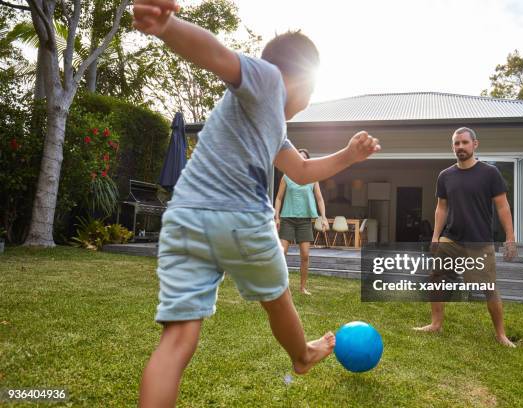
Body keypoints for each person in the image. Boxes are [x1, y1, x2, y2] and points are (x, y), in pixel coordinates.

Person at [132, 1, 381, 407]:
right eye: (312, 89)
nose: (308, 98)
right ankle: (301, 356)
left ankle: (302, 355)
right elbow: (217, 56)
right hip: (241, 218)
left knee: (177, 339)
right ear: (300, 75)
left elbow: (299, 170)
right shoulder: (268, 80)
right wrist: (168, 26)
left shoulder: (269, 122)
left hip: (186, 218)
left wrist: (348, 157)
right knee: (278, 297)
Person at [413, 127, 517, 347]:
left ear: (475, 144)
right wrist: (435, 236)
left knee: (489, 288)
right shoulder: (445, 176)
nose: (460, 147)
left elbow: (503, 207)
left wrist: (510, 237)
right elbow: (441, 208)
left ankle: (500, 334)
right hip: (451, 238)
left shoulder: (490, 173)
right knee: (436, 279)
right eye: (456, 143)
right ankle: (435, 324)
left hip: (479, 241)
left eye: (464, 143)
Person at [274, 148, 329, 295]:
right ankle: (280, 287)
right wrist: (277, 216)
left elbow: (319, 198)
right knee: (282, 253)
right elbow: (279, 198)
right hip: (288, 219)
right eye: (299, 157)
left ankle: (302, 287)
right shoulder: (286, 176)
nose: (301, 160)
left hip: (304, 220)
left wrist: (323, 217)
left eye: (304, 157)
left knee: (305, 255)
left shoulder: (313, 178)